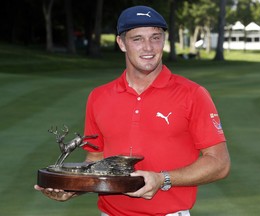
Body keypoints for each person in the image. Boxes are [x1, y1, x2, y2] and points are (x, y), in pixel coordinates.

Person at [35, 5, 230, 216]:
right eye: (137, 39)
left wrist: (163, 178)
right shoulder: (99, 97)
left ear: (164, 40)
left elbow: (220, 163)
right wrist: (73, 188)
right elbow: (95, 160)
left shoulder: (193, 94)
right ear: (121, 43)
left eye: (155, 37)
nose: (148, 47)